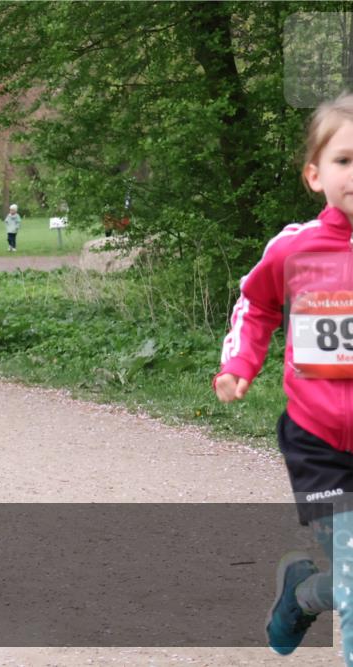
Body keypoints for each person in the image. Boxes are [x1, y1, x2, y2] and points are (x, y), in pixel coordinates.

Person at [214, 93, 353, 664]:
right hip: (319, 443)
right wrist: (238, 365)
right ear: (315, 175)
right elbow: (256, 305)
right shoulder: (295, 247)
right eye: (345, 160)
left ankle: (300, 596)